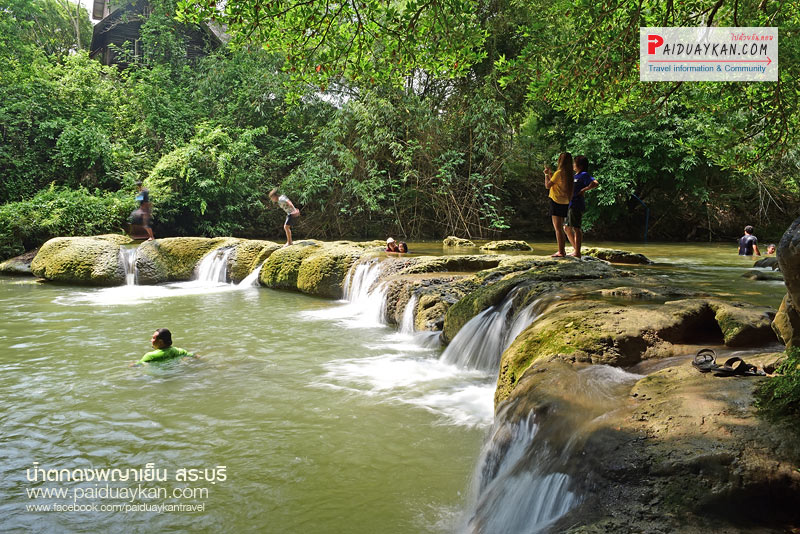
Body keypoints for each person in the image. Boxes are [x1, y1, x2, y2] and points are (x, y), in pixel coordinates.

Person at [564, 155, 599, 258]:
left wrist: (584, 190)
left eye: (574, 163)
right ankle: (576, 250)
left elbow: (595, 183)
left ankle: (577, 252)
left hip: (577, 204)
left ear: (580, 165)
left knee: (576, 227)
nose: (573, 165)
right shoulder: (575, 175)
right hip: (570, 204)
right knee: (566, 228)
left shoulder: (584, 174)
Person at [543, 152, 574, 257]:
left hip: (556, 201)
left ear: (560, 161)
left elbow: (548, 185)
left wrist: (546, 174)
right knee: (564, 227)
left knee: (558, 228)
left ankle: (561, 251)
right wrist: (551, 175)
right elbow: (557, 183)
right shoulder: (569, 174)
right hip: (565, 202)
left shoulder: (559, 172)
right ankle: (571, 249)